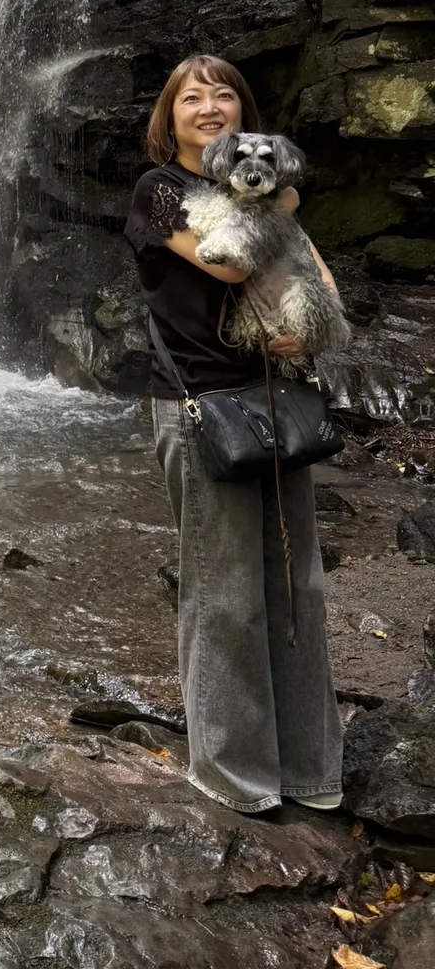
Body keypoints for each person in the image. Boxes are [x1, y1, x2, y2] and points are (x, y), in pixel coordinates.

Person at [124, 53, 343, 815]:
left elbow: (325, 286)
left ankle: (312, 772)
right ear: (170, 116)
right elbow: (227, 266)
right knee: (224, 594)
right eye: (193, 96)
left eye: (225, 94)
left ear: (245, 113)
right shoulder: (158, 193)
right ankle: (235, 775)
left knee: (296, 586)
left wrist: (310, 328)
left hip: (276, 397)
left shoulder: (270, 190)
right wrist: (281, 198)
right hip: (202, 410)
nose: (211, 105)